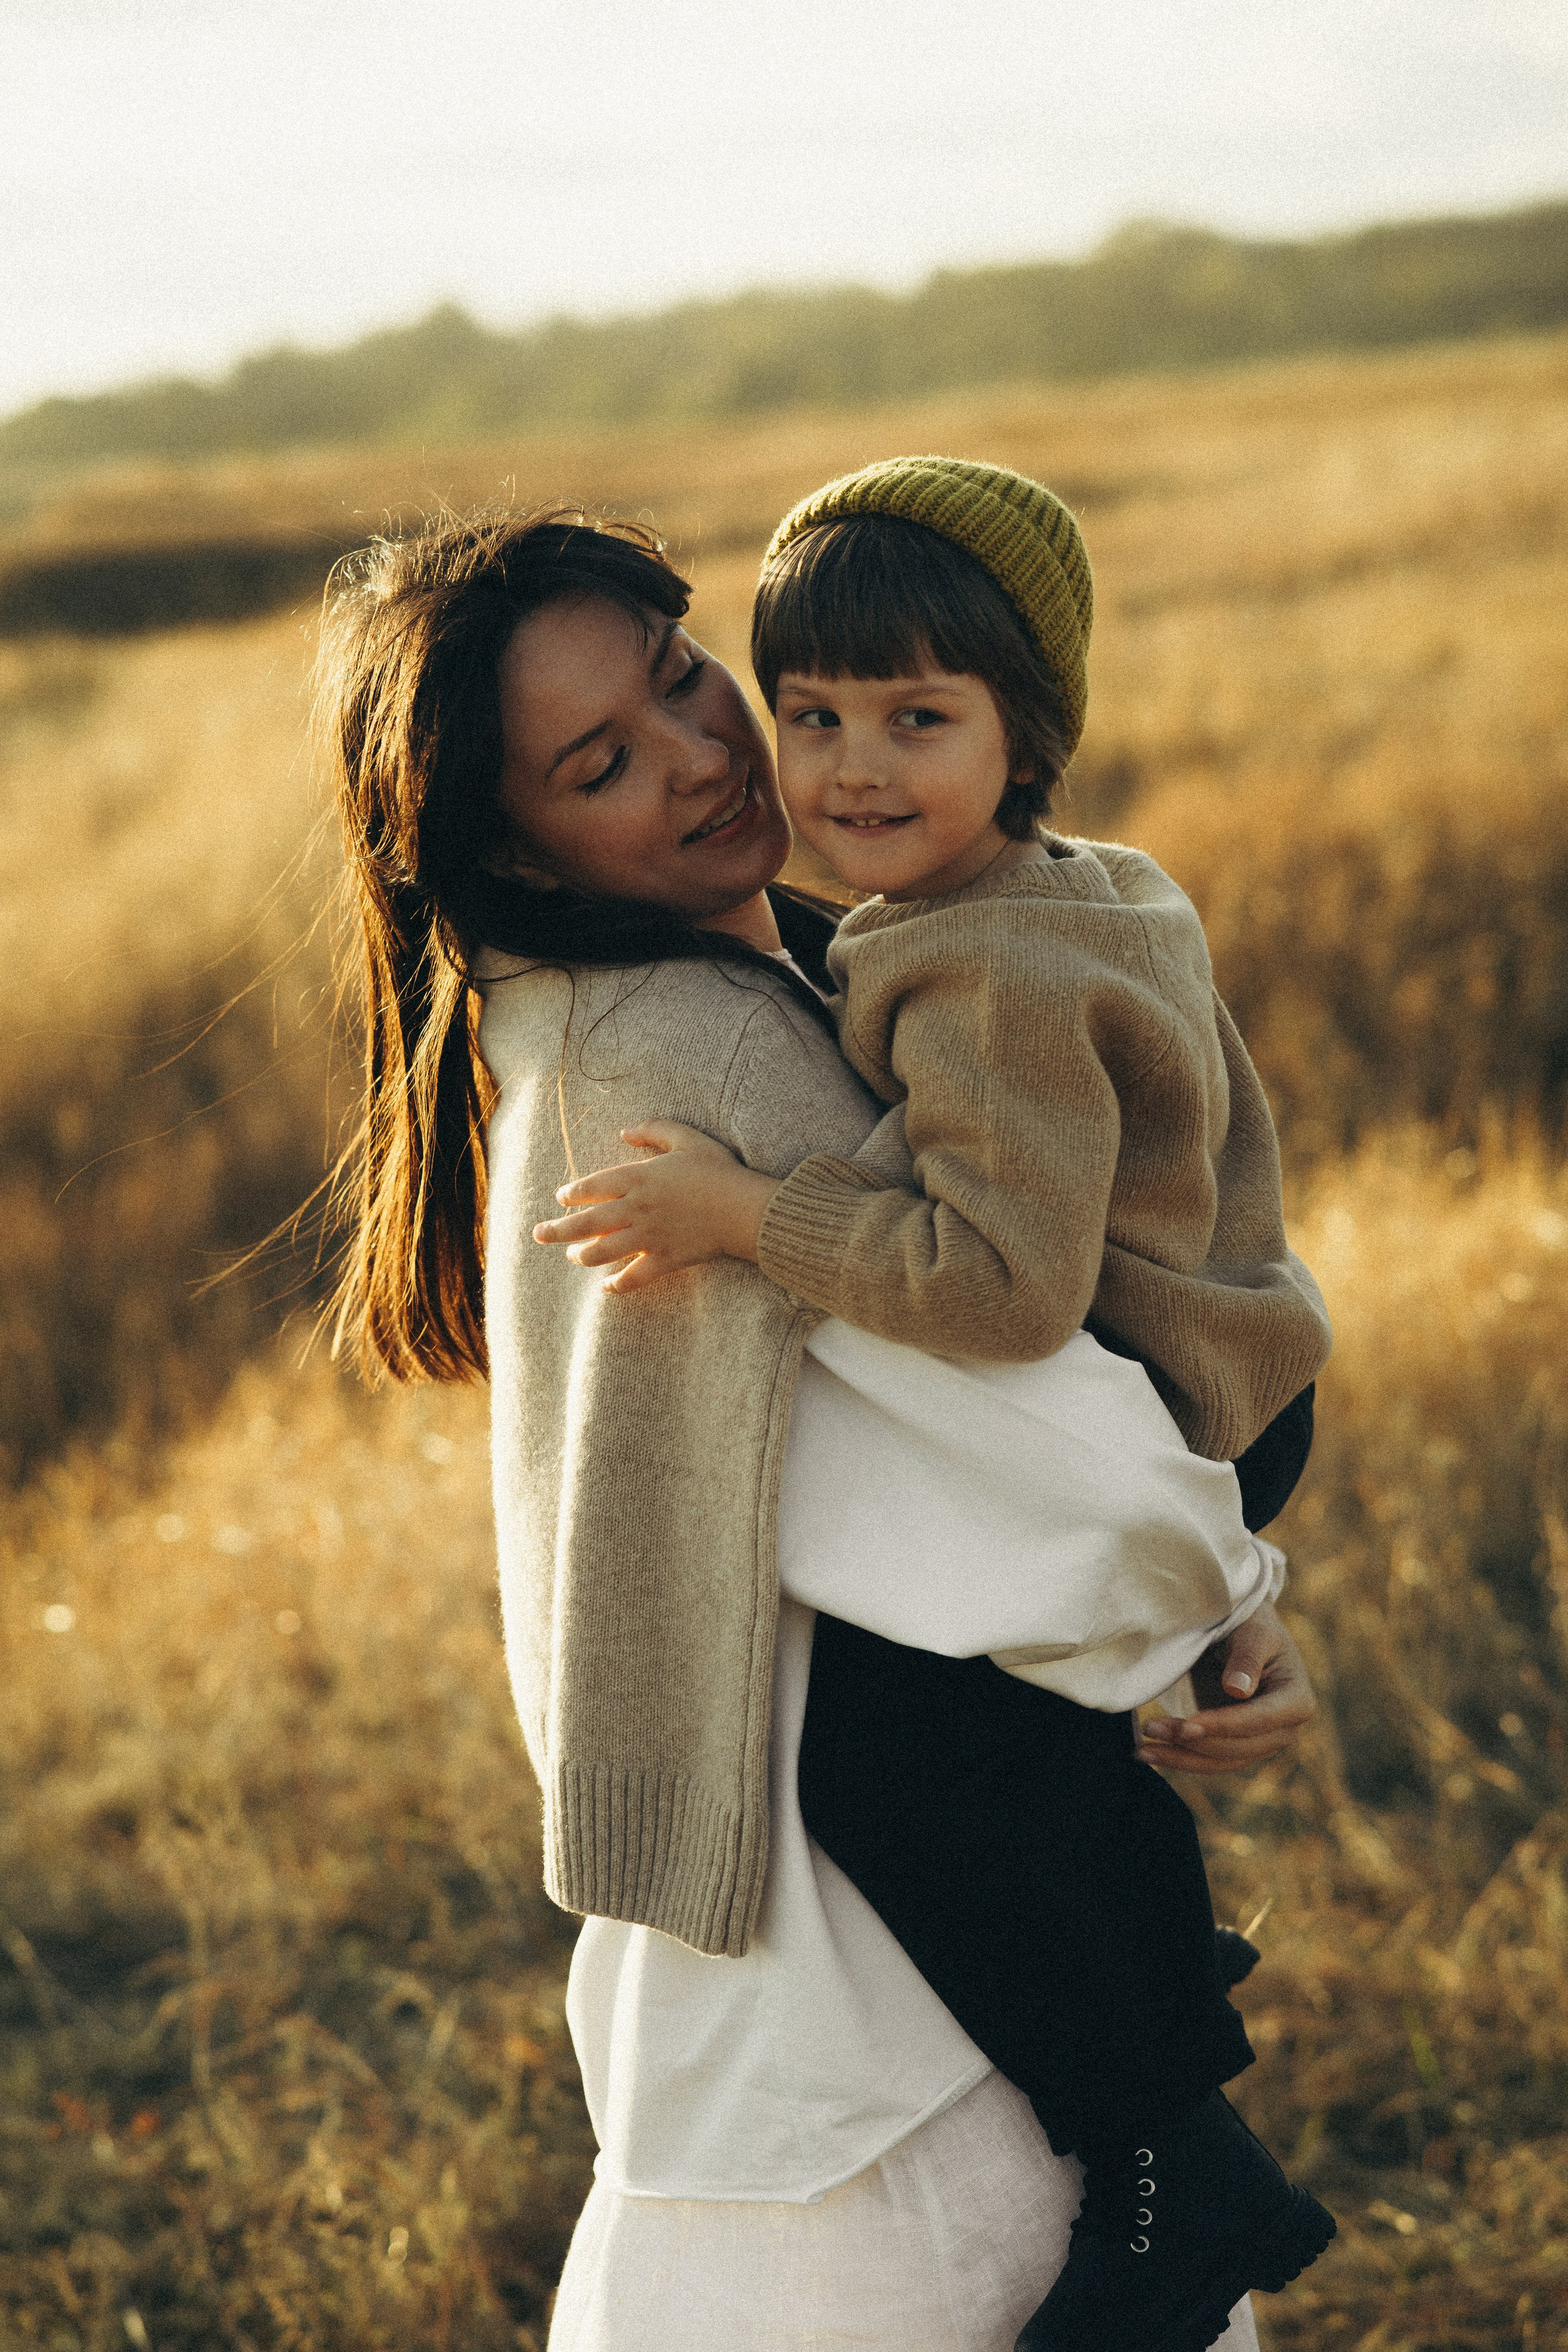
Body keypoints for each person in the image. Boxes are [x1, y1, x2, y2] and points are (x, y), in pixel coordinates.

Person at [318, 500, 1319, 2352]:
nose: (708, 754)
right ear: (510, 848)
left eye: (686, 678)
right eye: (604, 761)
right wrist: (1215, 1585)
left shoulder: (737, 977)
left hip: (844, 1971)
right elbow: (1034, 1454)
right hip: (874, 2021)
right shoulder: (699, 1061)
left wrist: (1211, 1595)